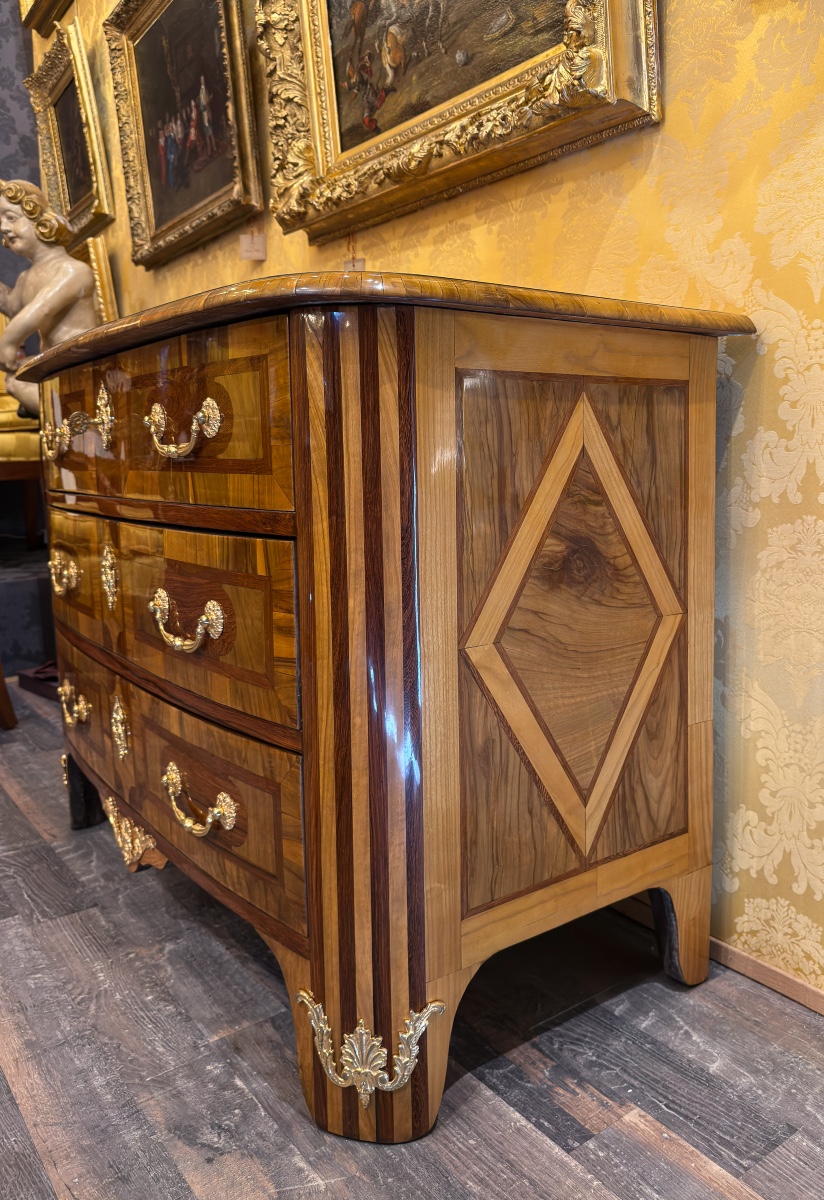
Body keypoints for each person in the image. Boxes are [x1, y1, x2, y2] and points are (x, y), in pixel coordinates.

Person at [0, 180, 99, 417]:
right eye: (0, 221)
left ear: (38, 217)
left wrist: (9, 341)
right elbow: (13, 308)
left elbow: (40, 309)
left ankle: (72, 417)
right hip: (53, 364)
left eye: (11, 218)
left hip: (79, 365)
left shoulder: (72, 270)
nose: (3, 227)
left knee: (16, 381)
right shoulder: (26, 277)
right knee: (14, 380)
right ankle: (62, 418)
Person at [198, 75, 217, 157]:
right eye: (202, 79)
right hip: (204, 115)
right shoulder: (201, 91)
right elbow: (202, 105)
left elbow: (207, 100)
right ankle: (209, 151)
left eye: (204, 79)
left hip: (208, 113)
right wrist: (205, 105)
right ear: (200, 81)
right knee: (207, 134)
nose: (203, 81)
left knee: (211, 132)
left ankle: (214, 148)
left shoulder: (206, 89)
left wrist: (210, 98)